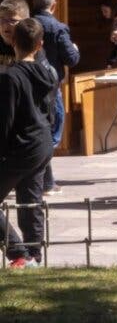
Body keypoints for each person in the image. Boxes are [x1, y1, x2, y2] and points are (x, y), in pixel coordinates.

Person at [0, 16, 56, 268]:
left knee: (29, 198)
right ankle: (34, 255)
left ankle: (19, 252)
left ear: (13, 41)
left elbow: (5, 121)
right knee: (29, 200)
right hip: (42, 143)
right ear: (40, 44)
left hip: (20, 146)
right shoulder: (49, 74)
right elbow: (51, 112)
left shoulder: (11, 77)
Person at [29, 0, 80, 196]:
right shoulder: (58, 28)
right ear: (54, 5)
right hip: (51, 88)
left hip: (28, 84)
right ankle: (44, 181)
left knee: (41, 131)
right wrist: (75, 49)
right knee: (53, 131)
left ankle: (46, 181)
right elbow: (71, 59)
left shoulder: (28, 25)